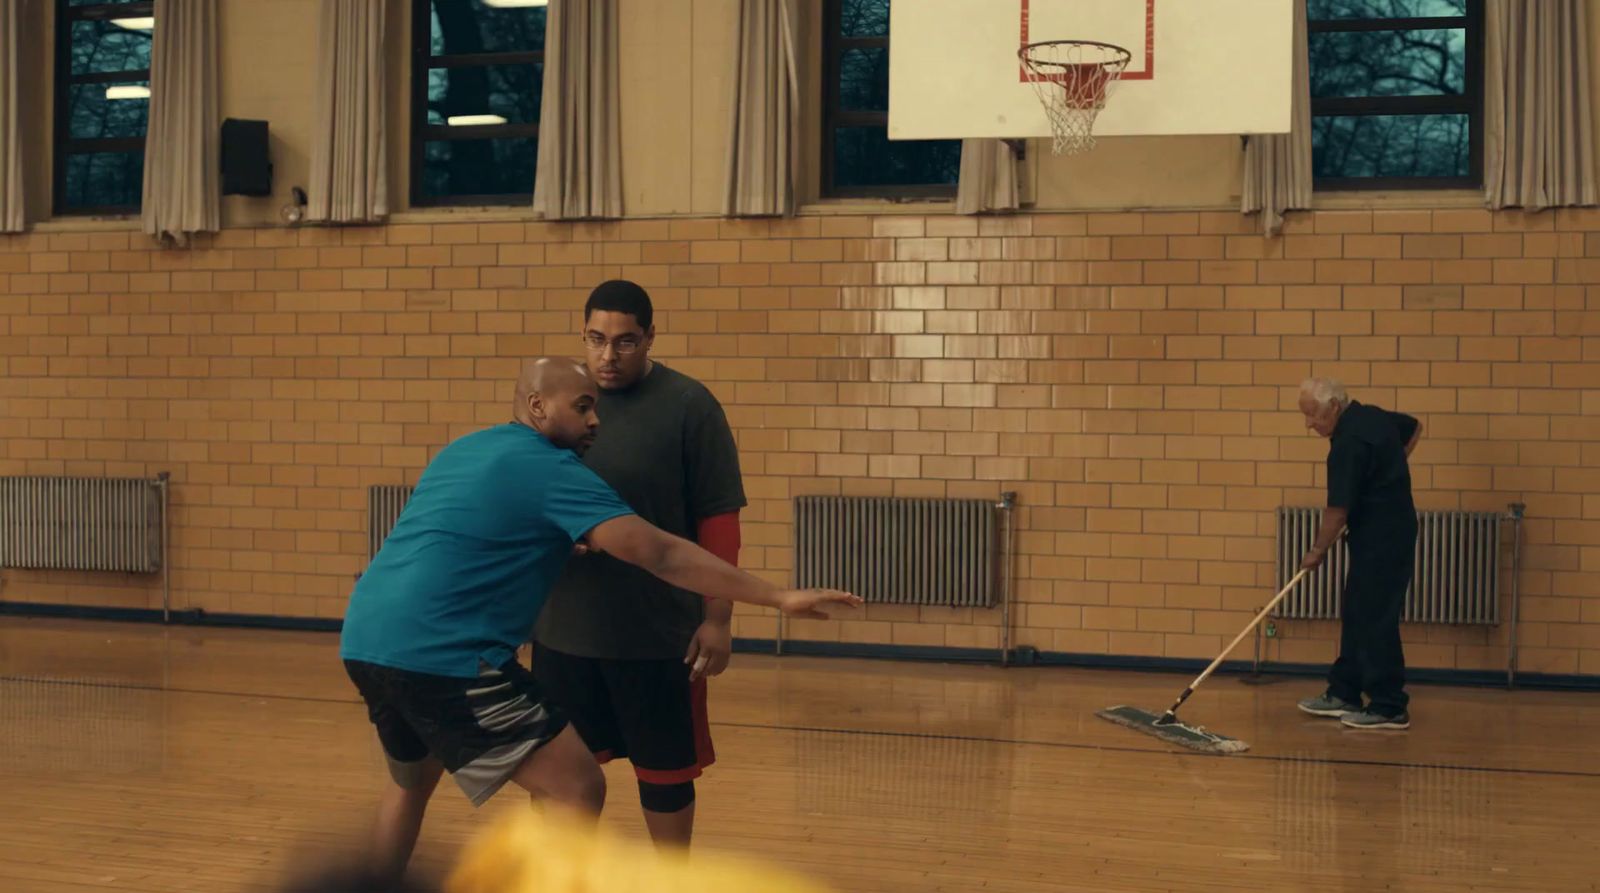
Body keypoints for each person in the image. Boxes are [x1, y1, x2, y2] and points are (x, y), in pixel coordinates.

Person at [338, 357, 859, 885]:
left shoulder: (466, 449)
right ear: (537, 406)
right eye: (582, 407)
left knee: (410, 783)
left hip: (366, 639)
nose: (595, 422)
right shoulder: (551, 469)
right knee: (577, 787)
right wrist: (777, 597)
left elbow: (461, 540)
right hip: (444, 655)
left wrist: (549, 548)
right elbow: (659, 553)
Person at [532, 281, 743, 850]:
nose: (608, 355)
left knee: (666, 779)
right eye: (597, 339)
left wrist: (717, 619)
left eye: (625, 342)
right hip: (563, 633)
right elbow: (524, 502)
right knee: (559, 781)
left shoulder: (689, 406)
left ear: (650, 337)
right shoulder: (554, 399)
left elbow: (719, 524)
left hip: (658, 635)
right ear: (582, 335)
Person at [1294, 377, 1422, 731]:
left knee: (1375, 617)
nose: (1309, 425)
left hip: (1386, 536)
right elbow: (1412, 427)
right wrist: (1387, 472)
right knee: (1356, 610)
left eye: (1314, 416)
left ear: (1334, 407)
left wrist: (1317, 551)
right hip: (1379, 532)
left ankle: (1389, 705)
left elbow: (1337, 511)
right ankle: (1345, 691)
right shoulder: (1371, 416)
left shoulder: (1348, 444)